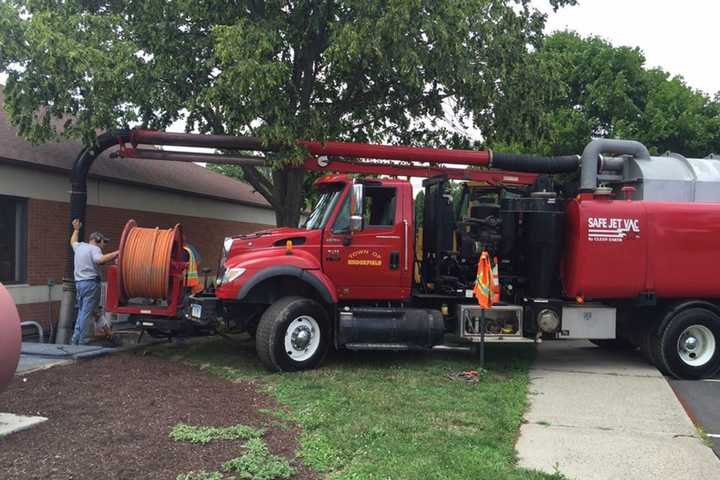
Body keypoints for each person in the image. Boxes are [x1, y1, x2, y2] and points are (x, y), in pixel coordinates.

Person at [69, 219, 119, 345]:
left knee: (88, 311)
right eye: (103, 242)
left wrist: (76, 230)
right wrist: (118, 252)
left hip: (79, 284)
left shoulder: (80, 246)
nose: (104, 245)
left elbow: (72, 241)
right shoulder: (94, 249)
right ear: (97, 239)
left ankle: (107, 335)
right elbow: (100, 260)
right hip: (91, 285)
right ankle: (81, 341)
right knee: (86, 312)